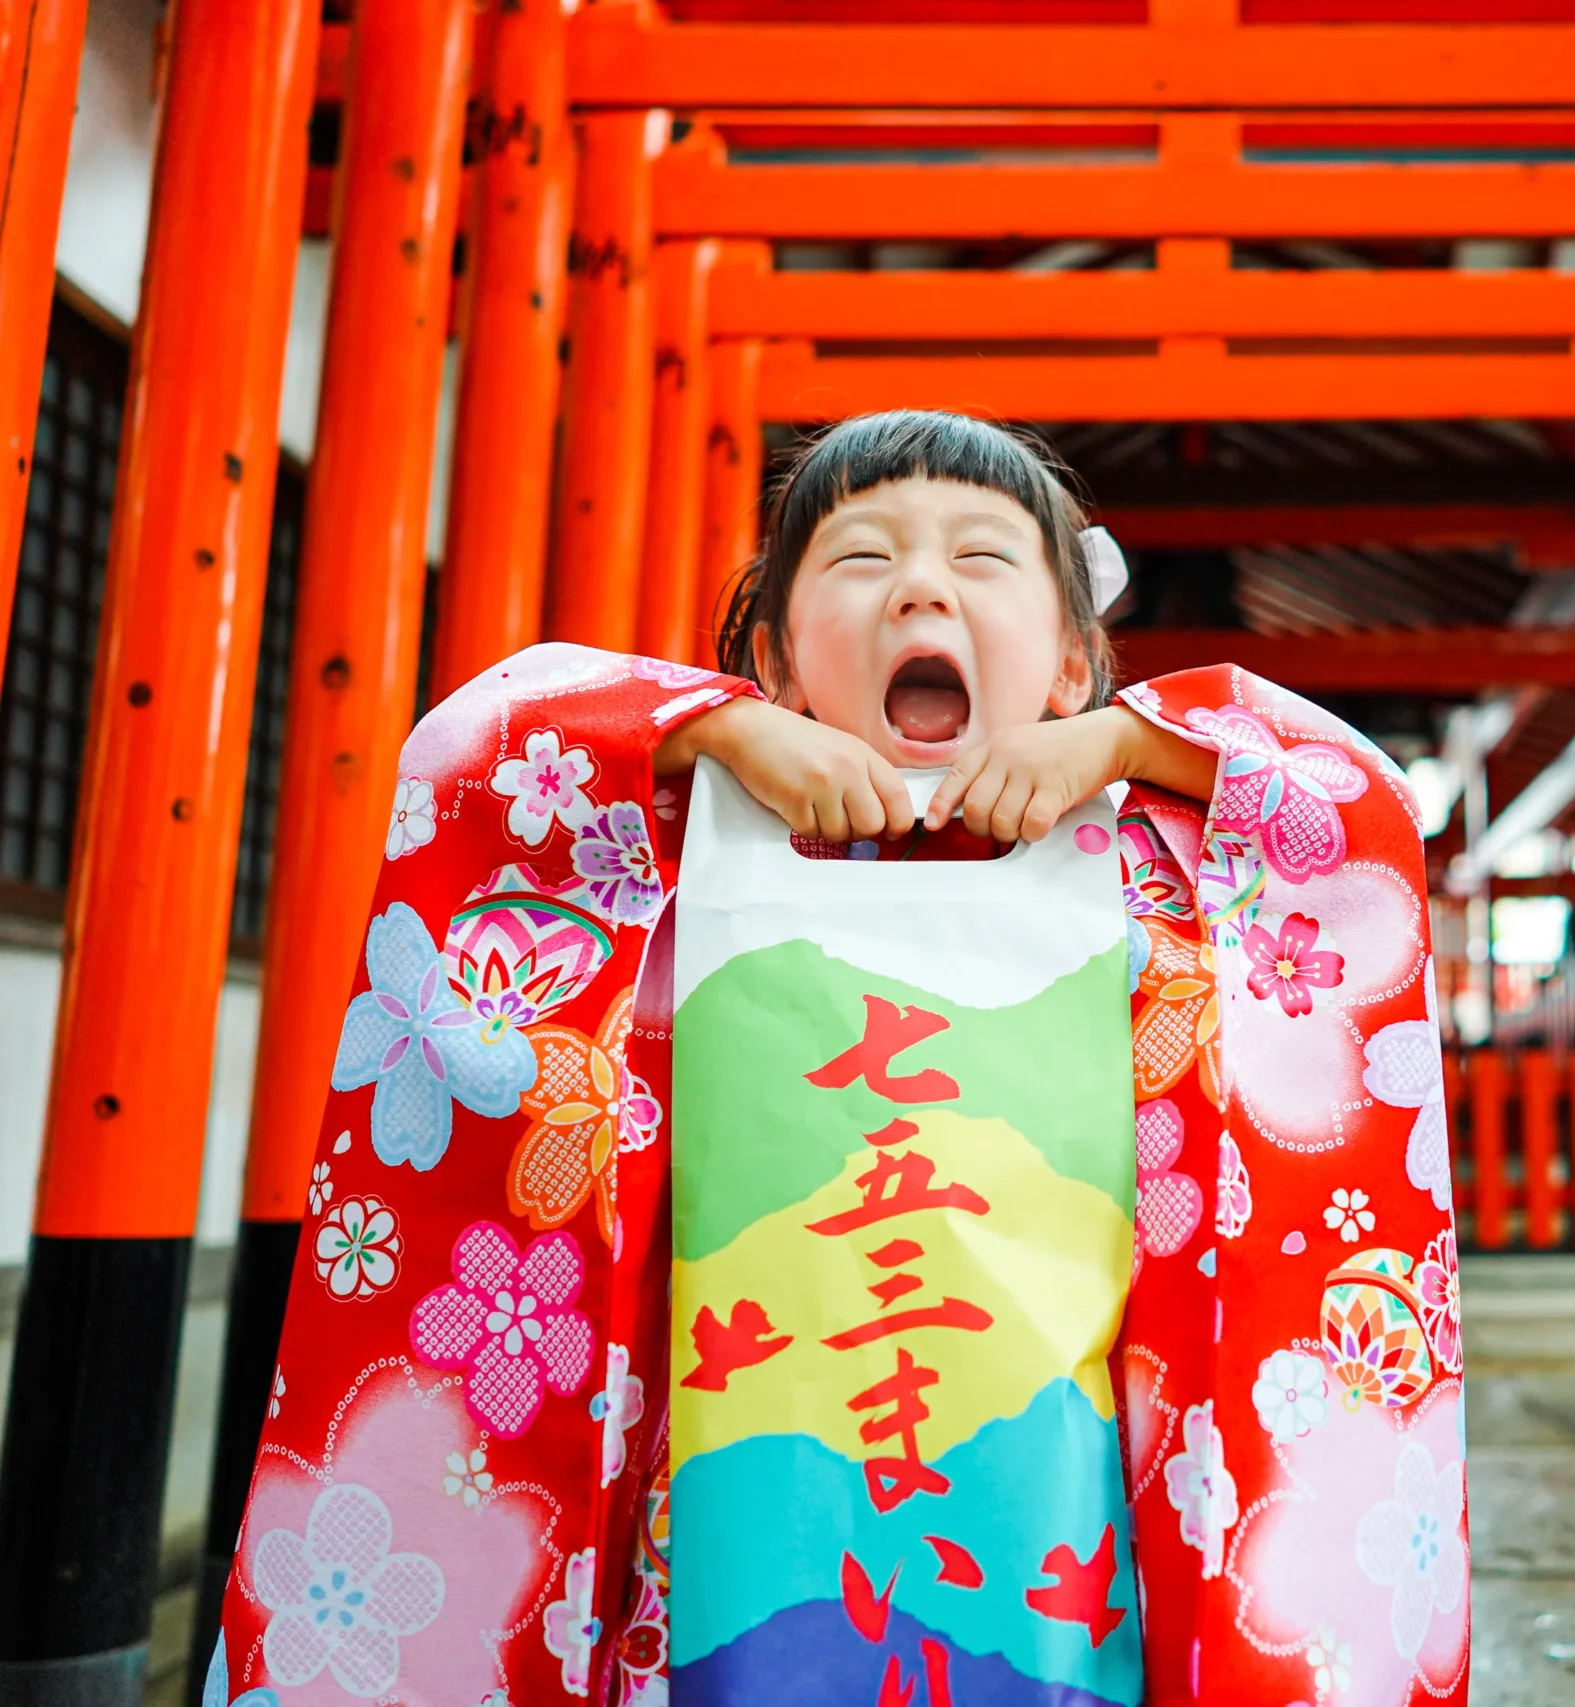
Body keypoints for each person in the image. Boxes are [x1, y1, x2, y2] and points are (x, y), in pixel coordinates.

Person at [206, 412, 1469, 1707]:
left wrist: (1142, 744)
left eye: (984, 560)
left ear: (1069, 665)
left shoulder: (1156, 876)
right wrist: (701, 732)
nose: (922, 581)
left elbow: (1356, 807)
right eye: (862, 558)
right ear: (777, 653)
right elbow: (469, 759)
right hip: (716, 1519)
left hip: (1061, 1517)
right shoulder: (673, 851)